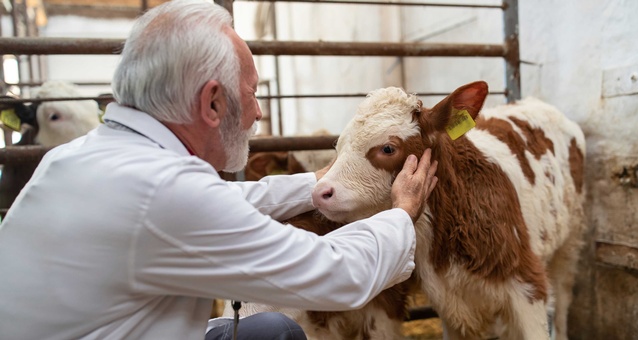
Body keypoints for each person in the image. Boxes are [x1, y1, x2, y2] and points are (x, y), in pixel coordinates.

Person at [0, 1, 439, 339]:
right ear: (212, 102)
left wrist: (317, 183)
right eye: (251, 93)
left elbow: (230, 199)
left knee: (273, 330)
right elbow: (334, 271)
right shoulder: (162, 191)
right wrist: (400, 213)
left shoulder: (82, 155)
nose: (259, 113)